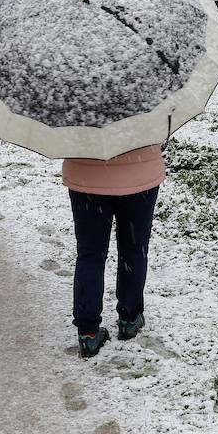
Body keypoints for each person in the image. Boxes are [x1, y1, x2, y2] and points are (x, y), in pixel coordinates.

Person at [63, 145, 165, 358]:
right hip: (139, 174)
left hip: (86, 177)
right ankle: (130, 318)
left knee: (90, 254)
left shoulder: (75, 109)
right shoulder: (145, 109)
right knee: (134, 249)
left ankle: (88, 333)